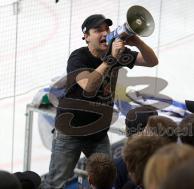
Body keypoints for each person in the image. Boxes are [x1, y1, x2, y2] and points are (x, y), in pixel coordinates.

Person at [43, 14, 158, 189]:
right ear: (86, 36)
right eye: (98, 30)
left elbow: (151, 62)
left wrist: (138, 43)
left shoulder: (118, 52)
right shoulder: (78, 58)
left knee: (106, 180)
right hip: (70, 132)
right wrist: (110, 59)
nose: (105, 33)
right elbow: (88, 86)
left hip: (98, 133)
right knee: (56, 182)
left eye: (107, 29)